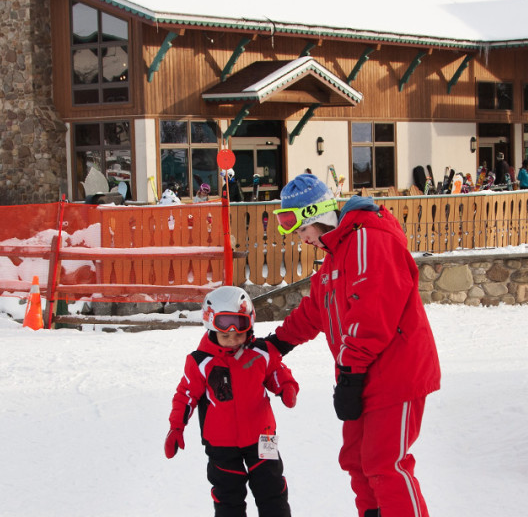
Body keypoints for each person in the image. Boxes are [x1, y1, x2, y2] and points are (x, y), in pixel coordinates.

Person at [263, 174, 440, 517]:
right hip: (362, 374)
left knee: (385, 463)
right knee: (357, 460)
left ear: (315, 215)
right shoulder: (335, 257)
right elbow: (314, 310)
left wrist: (350, 373)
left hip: (395, 372)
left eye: (302, 230)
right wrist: (277, 344)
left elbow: (373, 313)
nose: (303, 240)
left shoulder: (368, 241)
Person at [165, 286, 299, 517]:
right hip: (221, 445)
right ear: (211, 329)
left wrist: (286, 386)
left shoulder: (261, 352)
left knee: (272, 490)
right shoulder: (200, 362)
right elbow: (185, 395)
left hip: (262, 437)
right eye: (225, 335)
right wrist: (176, 427)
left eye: (239, 333)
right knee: (228, 498)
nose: (233, 340)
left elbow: (276, 370)